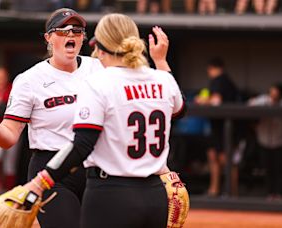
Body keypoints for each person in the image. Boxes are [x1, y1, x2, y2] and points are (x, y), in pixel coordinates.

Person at [0, 8, 172, 228]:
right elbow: (9, 137)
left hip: (97, 171)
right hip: (53, 170)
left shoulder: (101, 67)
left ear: (84, 38)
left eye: (77, 30)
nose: (70, 35)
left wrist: (160, 167)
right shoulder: (29, 80)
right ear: (48, 38)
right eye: (62, 30)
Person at [20, 13, 186, 228]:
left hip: (111, 193)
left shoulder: (98, 82)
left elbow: (82, 144)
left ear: (98, 45)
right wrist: (161, 61)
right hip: (155, 194)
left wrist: (40, 181)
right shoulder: (163, 79)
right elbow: (180, 110)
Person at [195, 57, 239, 197]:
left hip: (224, 127)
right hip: (217, 127)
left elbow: (216, 101)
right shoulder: (222, 80)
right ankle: (214, 190)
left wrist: (202, 101)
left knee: (225, 159)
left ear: (212, 68)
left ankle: (231, 192)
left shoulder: (221, 79)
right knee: (213, 156)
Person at [248, 83, 282, 200]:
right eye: (272, 92)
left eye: (276, 92)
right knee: (268, 169)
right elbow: (249, 104)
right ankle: (270, 193)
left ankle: (280, 193)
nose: (273, 95)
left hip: (281, 141)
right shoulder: (264, 100)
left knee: (280, 169)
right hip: (264, 141)